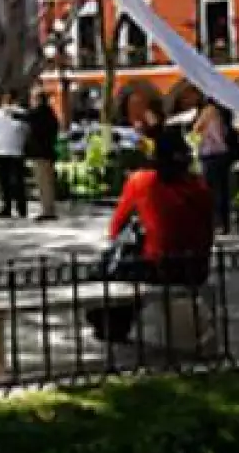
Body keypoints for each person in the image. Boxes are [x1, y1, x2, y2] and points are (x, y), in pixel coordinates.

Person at [87, 125, 214, 343]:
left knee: (111, 270)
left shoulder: (143, 182)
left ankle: (111, 326)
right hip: (197, 265)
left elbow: (116, 227)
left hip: (160, 266)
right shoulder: (200, 186)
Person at [195, 101, 236, 234]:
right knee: (222, 191)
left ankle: (214, 223)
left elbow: (196, 132)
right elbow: (221, 136)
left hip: (209, 156)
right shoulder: (219, 114)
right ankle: (223, 223)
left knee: (211, 191)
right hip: (220, 155)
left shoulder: (205, 114)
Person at [0, 93, 31, 220]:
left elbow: (27, 130)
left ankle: (20, 208)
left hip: (15, 151)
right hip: (3, 151)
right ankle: (8, 207)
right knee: (5, 182)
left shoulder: (21, 113)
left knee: (16, 181)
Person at [25, 92, 61, 222]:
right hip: (48, 152)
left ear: (39, 100)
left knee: (43, 182)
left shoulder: (39, 113)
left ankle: (47, 211)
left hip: (40, 153)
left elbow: (25, 117)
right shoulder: (51, 114)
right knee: (48, 183)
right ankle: (49, 209)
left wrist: (10, 112)